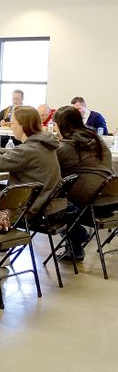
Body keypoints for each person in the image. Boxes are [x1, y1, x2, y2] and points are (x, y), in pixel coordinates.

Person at [0, 105, 65, 220]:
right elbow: (15, 153)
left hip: (31, 208)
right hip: (48, 204)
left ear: (22, 126)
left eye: (13, 123)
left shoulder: (28, 150)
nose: (11, 127)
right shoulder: (43, 144)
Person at [54, 105, 114, 261]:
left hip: (91, 204)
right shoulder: (97, 139)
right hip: (111, 199)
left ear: (62, 125)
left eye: (55, 124)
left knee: (51, 201)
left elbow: (47, 164)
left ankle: (77, 237)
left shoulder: (69, 146)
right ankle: (75, 248)